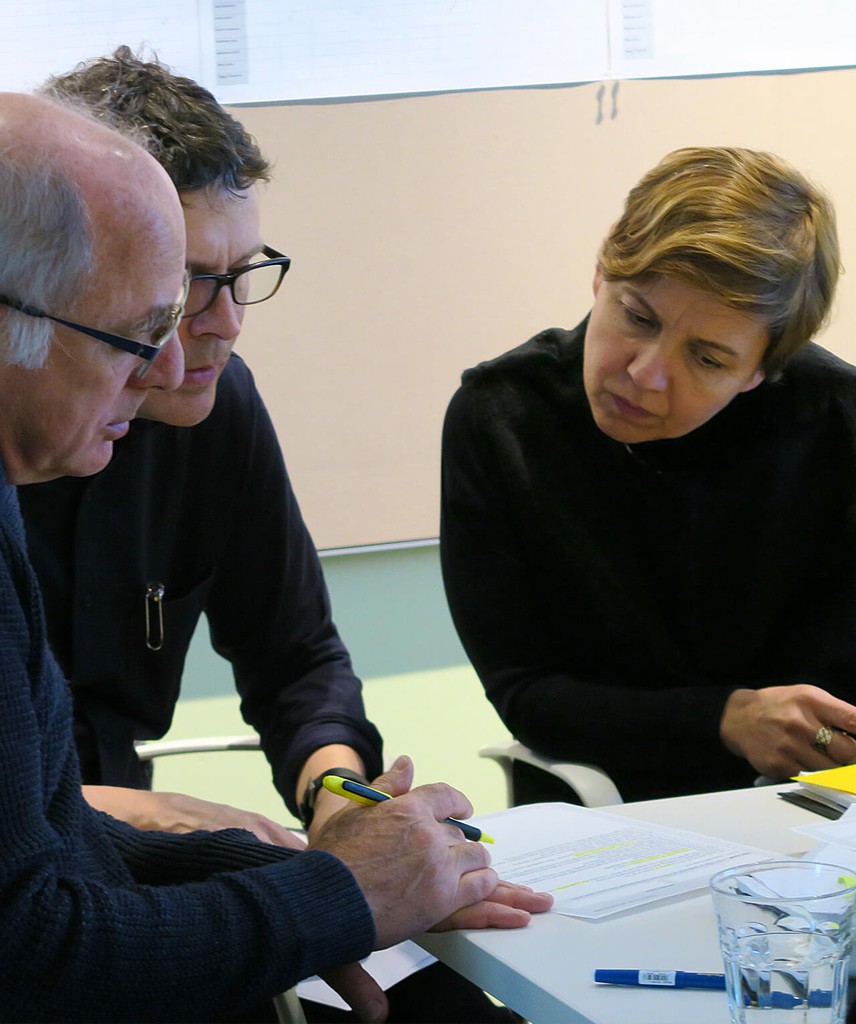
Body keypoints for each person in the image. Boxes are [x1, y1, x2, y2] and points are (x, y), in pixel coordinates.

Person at [20, 50, 550, 1022]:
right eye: (177, 293)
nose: (214, 332)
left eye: (243, 276)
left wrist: (338, 795)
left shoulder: (211, 409)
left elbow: (295, 652)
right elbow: (39, 932)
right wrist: (285, 875)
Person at [440, 146, 856, 806]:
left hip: (816, 810)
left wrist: (826, 747)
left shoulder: (838, 426)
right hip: (616, 810)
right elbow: (527, 691)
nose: (644, 374)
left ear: (760, 370)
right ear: (604, 266)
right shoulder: (503, 417)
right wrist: (727, 718)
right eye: (638, 317)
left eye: (707, 358)